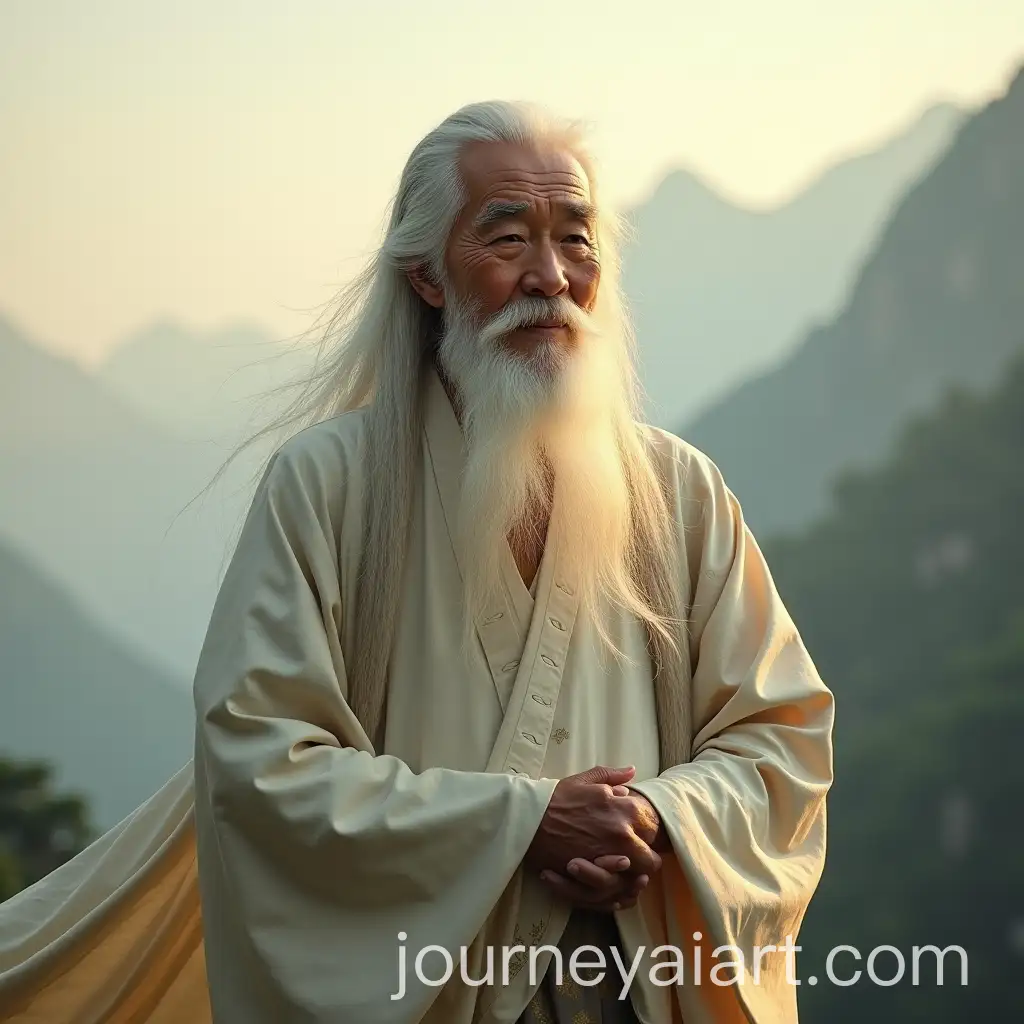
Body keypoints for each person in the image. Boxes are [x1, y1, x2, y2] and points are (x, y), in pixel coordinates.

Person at [0, 100, 833, 1024]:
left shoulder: (680, 496)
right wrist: (525, 824)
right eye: (507, 238)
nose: (550, 277)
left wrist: (659, 819)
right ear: (427, 276)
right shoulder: (330, 485)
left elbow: (779, 736)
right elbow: (261, 759)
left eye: (576, 240)